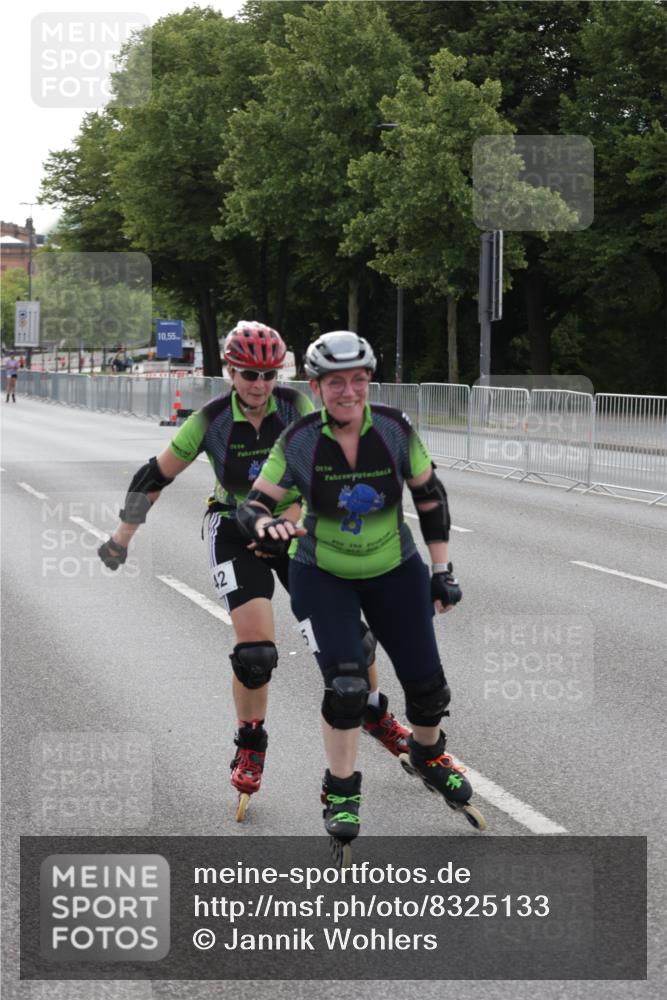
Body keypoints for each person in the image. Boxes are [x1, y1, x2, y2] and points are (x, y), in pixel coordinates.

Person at [97, 322, 408, 820]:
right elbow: (153, 476)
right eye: (247, 374)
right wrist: (122, 538)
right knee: (257, 654)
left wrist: (290, 521)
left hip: (292, 525)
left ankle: (374, 712)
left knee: (355, 637)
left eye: (268, 373)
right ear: (230, 371)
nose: (259, 385)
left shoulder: (295, 408)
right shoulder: (210, 420)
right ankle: (250, 741)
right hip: (234, 529)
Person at [236, 330, 485, 856]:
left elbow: (430, 495)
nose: (348, 391)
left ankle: (428, 754)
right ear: (316, 385)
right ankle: (341, 789)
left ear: (368, 380)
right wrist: (264, 526)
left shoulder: (395, 429)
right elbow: (254, 504)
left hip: (395, 568)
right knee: (348, 685)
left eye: (358, 379)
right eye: (335, 382)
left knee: (429, 691)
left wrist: (442, 569)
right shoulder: (300, 440)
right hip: (322, 573)